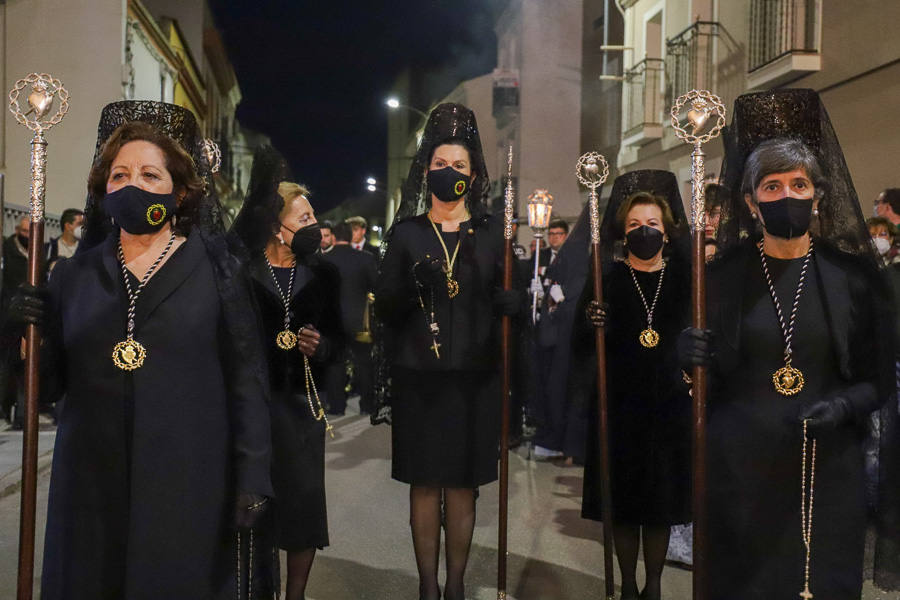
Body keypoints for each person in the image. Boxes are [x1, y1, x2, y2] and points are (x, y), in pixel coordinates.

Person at [6, 101, 274, 599]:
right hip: (90, 482)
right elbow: (51, 385)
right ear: (103, 188)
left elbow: (245, 380)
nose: (133, 185)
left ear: (181, 190)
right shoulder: (73, 275)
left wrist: (253, 473)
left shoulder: (219, 271)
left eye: (151, 174)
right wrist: (26, 335)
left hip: (189, 477)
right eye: (120, 174)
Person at [679, 89, 898, 599]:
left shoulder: (853, 277)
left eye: (799, 184)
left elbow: (879, 376)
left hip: (826, 468)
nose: (786, 196)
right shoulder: (720, 277)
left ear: (818, 196)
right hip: (739, 471)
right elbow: (696, 377)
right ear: (751, 203)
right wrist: (685, 358)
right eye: (771, 186)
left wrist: (845, 405)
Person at [374, 103, 522, 600]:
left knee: (462, 486)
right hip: (420, 381)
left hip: (474, 382)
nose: (449, 174)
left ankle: (456, 585)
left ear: (474, 173)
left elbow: (512, 309)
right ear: (426, 170)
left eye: (459, 166)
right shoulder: (407, 234)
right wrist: (412, 287)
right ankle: (428, 588)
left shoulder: (492, 235)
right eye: (440, 165)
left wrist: (512, 302)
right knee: (424, 485)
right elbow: (387, 312)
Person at [230, 146, 342, 600]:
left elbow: (340, 343)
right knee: (254, 506)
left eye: (313, 214)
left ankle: (294, 594)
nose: (313, 224)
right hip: (253, 407)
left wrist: (322, 347)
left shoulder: (325, 274)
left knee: (302, 509)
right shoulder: (243, 272)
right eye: (304, 216)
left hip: (300, 409)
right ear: (277, 226)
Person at [578, 171, 692, 600]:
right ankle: (627, 586)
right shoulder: (607, 275)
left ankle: (655, 586)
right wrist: (592, 322)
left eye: (652, 225)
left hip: (668, 405)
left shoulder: (684, 278)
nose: (644, 232)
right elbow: (579, 342)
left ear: (666, 231)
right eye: (634, 226)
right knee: (625, 506)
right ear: (623, 234)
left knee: (659, 506)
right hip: (619, 405)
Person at [322, 220, 377, 414]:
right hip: (359, 322)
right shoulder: (366, 258)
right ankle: (367, 405)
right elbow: (375, 286)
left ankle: (337, 406)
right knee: (364, 363)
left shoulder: (323, 260)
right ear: (349, 236)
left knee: (335, 364)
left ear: (334, 237)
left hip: (333, 321)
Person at [0, 216, 31, 426]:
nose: (27, 236)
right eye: (25, 232)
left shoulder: (39, 250)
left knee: (25, 364)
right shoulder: (8, 250)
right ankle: (6, 407)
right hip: (8, 315)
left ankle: (22, 414)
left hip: (27, 315)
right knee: (8, 365)